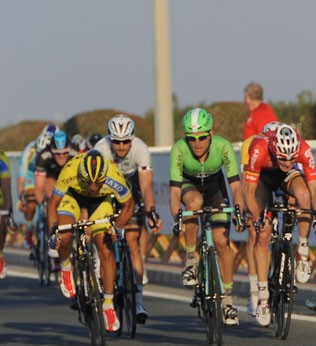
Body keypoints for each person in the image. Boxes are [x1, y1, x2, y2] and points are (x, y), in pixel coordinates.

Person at [243, 121, 316, 326]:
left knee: (303, 196)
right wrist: (258, 217)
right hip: (262, 178)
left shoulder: (301, 149)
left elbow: (315, 189)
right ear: (273, 148)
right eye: (283, 158)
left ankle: (303, 251)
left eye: (291, 158)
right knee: (262, 235)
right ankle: (262, 298)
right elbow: (248, 192)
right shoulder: (259, 147)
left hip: (283, 178)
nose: (288, 162)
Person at [169, 108, 245, 326]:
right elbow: (174, 193)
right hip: (189, 185)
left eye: (202, 137)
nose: (197, 143)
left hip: (214, 188)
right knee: (193, 204)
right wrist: (178, 217)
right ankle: (191, 260)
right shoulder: (179, 149)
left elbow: (236, 187)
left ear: (211, 133)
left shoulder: (223, 146)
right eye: (191, 138)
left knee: (222, 242)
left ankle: (228, 300)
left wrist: (238, 211)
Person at [48, 150, 135, 332]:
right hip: (72, 197)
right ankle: (65, 268)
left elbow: (129, 205)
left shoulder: (113, 175)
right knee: (64, 233)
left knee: (105, 248)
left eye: (98, 182)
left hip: (101, 202)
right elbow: (52, 205)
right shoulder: (70, 171)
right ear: (82, 175)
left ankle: (109, 305)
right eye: (90, 182)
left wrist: (116, 228)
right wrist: (52, 234)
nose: (94, 186)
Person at [94, 114, 163, 324]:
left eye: (125, 141)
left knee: (133, 243)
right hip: (106, 190)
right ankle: (104, 281)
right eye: (117, 141)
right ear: (110, 139)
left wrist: (151, 212)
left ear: (132, 139)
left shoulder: (140, 149)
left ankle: (139, 300)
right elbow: (95, 188)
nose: (121, 146)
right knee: (104, 238)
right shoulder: (101, 150)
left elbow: (146, 187)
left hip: (131, 188)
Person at [241, 82, 280, 317]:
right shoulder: (254, 114)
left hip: (262, 166)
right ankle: (254, 289)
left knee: (260, 232)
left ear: (248, 96)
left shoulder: (264, 113)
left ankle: (263, 285)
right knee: (252, 230)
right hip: (251, 164)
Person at [17, 124, 57, 249]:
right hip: (31, 176)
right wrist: (21, 197)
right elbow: (21, 178)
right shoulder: (30, 150)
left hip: (47, 174)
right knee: (31, 202)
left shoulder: (56, 150)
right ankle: (29, 231)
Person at [35, 130, 78, 205]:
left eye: (65, 153)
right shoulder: (44, 157)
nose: (61, 156)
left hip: (70, 175)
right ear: (52, 151)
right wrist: (43, 205)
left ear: (69, 150)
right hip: (53, 175)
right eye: (57, 154)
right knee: (50, 191)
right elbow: (39, 188)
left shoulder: (76, 153)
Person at [0, 151, 15, 279]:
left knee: (2, 226)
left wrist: (8, 211)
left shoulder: (2, 160)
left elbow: (6, 189)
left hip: (0, 199)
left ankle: (0, 255)